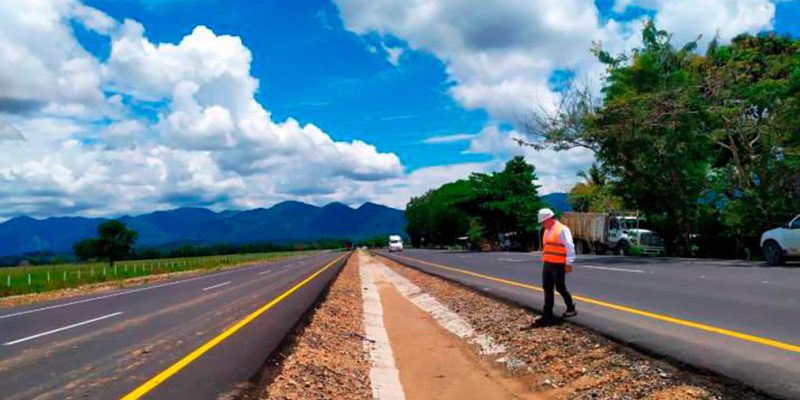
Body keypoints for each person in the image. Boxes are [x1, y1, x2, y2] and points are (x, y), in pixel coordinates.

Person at [535, 208, 577, 326]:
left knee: (560, 288)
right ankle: (547, 315)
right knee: (547, 288)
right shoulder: (547, 230)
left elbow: (570, 247)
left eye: (543, 222)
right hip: (548, 263)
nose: (542, 224)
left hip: (559, 264)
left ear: (549, 219)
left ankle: (571, 307)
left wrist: (569, 263)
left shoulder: (562, 229)